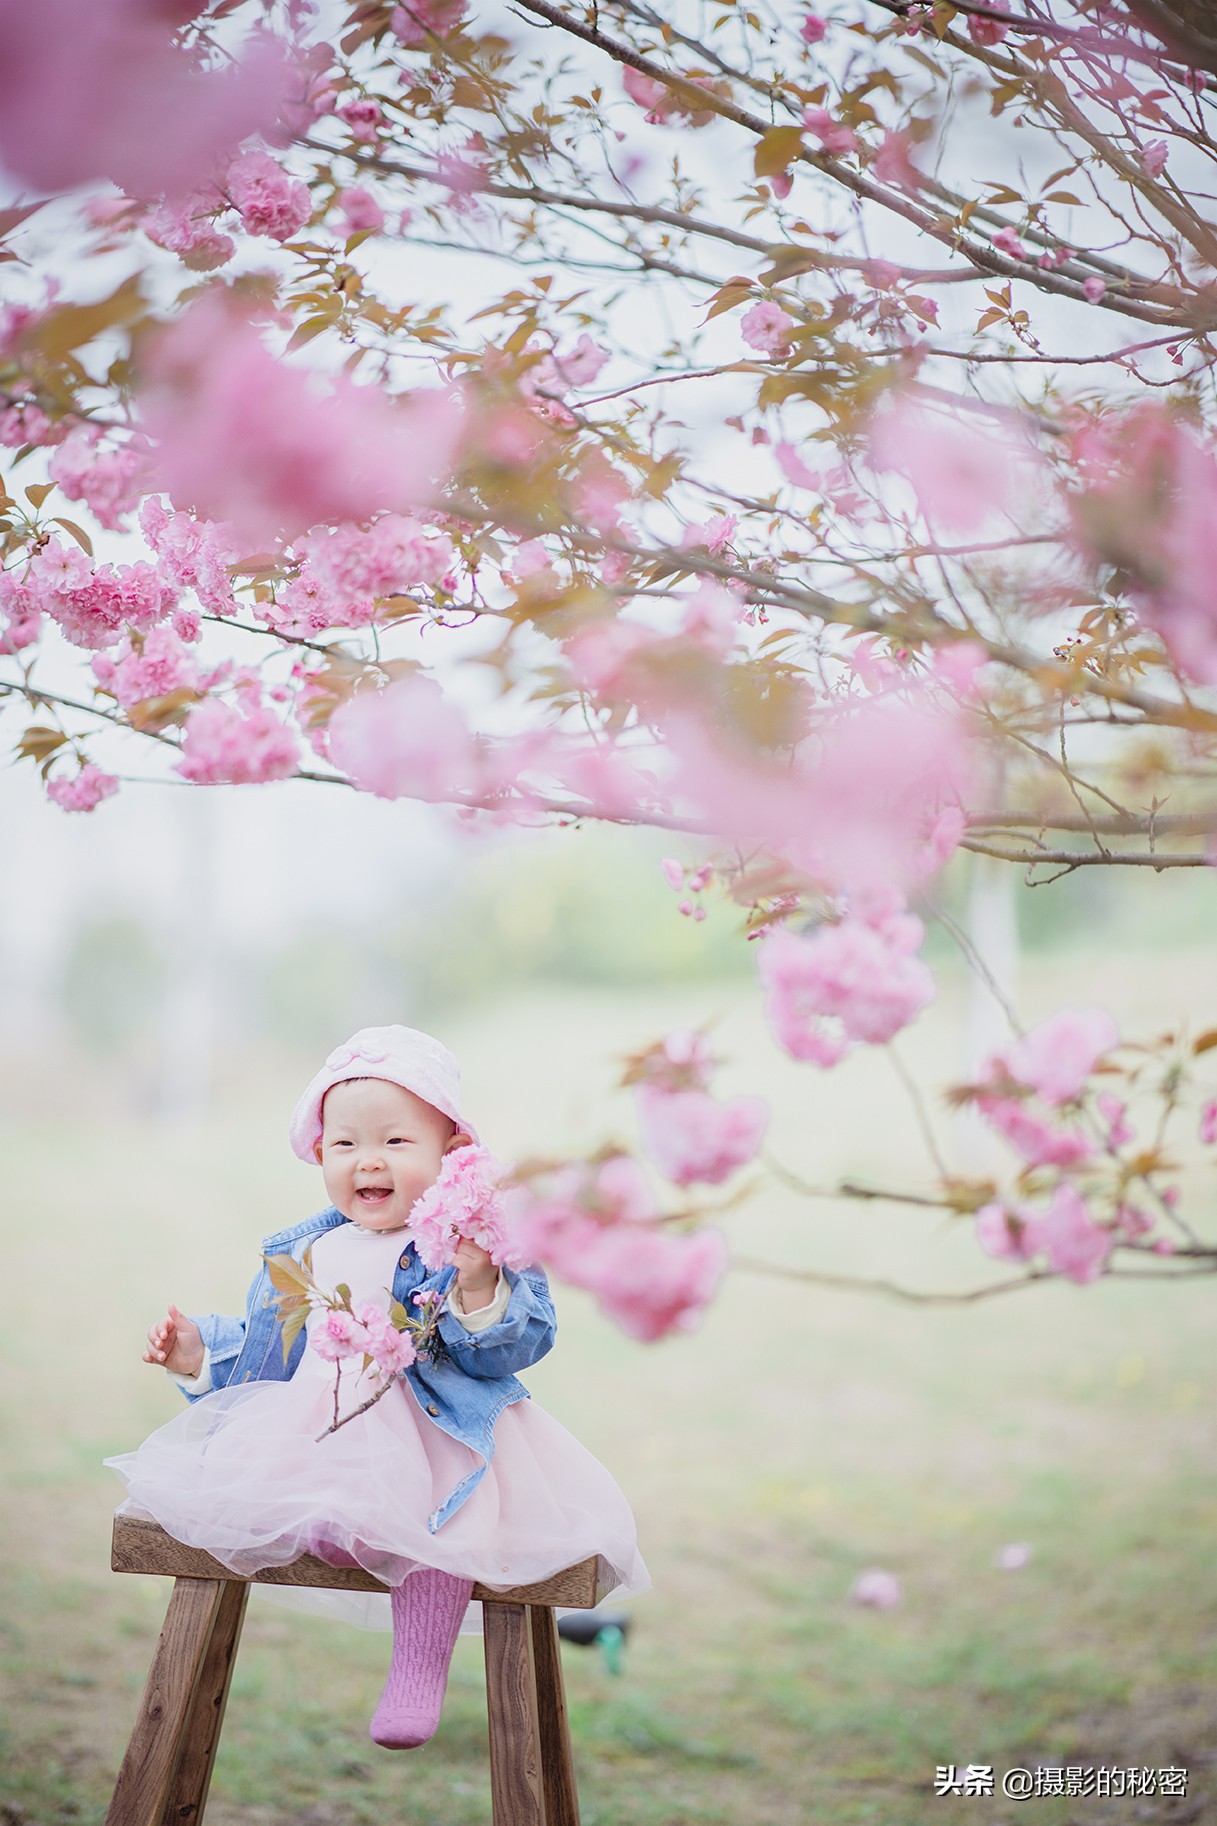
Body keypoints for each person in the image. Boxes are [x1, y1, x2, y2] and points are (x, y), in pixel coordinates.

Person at [106, 1024, 649, 1750]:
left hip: (440, 1442)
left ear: (453, 1156)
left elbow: (513, 1346)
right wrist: (197, 1350)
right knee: (289, 1491)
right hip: (321, 1431)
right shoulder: (307, 1249)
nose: (369, 1160)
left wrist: (479, 1279)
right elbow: (275, 1354)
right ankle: (336, 1524)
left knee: (439, 1528)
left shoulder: (462, 1244)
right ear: (320, 1154)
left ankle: (416, 1673)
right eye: (345, 1144)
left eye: (396, 1142)